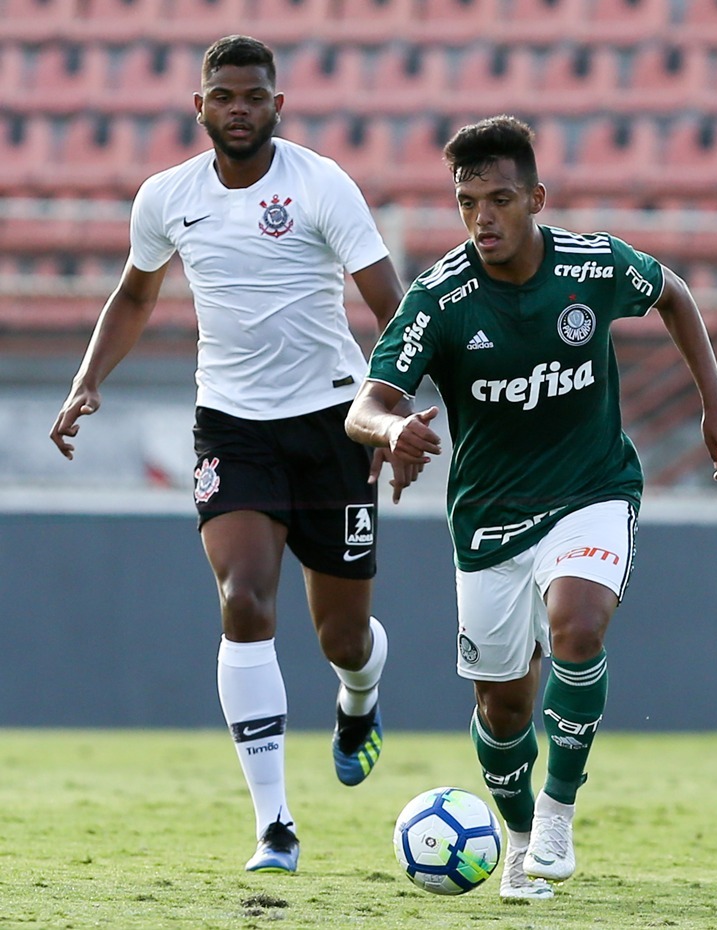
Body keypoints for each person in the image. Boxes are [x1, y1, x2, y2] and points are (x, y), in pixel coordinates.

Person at [345, 115, 717, 900]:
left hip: (592, 488)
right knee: (503, 710)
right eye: (467, 203)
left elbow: (672, 294)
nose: (483, 219)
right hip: (491, 517)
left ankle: (559, 812)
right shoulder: (440, 298)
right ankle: (521, 835)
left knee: (578, 623)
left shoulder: (592, 265)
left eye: (498, 199)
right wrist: (393, 427)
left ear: (535, 197)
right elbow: (365, 405)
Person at [50, 35, 408, 875]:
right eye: (224, 96)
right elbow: (135, 293)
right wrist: (88, 378)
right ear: (200, 107)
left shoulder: (323, 185)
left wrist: (393, 417)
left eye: (254, 96)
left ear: (277, 107)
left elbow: (395, 308)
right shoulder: (167, 197)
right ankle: (274, 825)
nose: (239, 109)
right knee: (245, 600)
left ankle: (358, 701)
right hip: (233, 426)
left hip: (333, 423)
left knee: (343, 637)